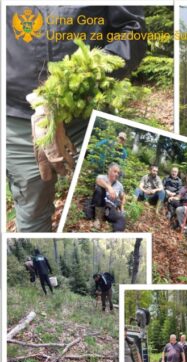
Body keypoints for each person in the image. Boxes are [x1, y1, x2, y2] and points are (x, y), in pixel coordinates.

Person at [6, 6, 146, 232]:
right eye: (120, 138)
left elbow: (133, 29)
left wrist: (80, 78)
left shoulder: (119, 157)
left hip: (87, 109)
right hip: (17, 114)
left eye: (122, 139)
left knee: (91, 192)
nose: (120, 141)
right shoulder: (107, 147)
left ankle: (92, 218)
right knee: (32, 210)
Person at [92, 163, 127, 232]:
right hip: (99, 203)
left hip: (110, 207)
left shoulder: (119, 185)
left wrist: (122, 207)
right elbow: (98, 181)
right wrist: (109, 187)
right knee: (99, 189)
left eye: (118, 173)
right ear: (109, 171)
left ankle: (116, 234)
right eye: (115, 171)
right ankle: (98, 219)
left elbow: (123, 197)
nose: (117, 174)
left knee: (121, 219)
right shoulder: (101, 177)